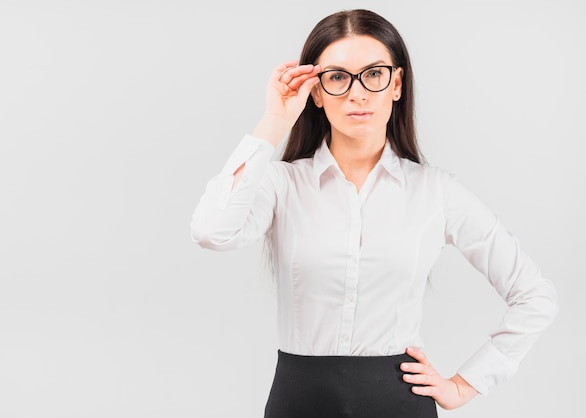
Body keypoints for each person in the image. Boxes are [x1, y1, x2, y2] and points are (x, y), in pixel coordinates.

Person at [190, 8, 558, 418]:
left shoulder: (436, 192)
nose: (357, 93)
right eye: (337, 78)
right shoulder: (281, 185)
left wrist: (465, 385)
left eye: (374, 74)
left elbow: (535, 297)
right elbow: (211, 231)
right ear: (316, 92)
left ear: (396, 83)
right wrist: (274, 122)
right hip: (298, 403)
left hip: (398, 405)